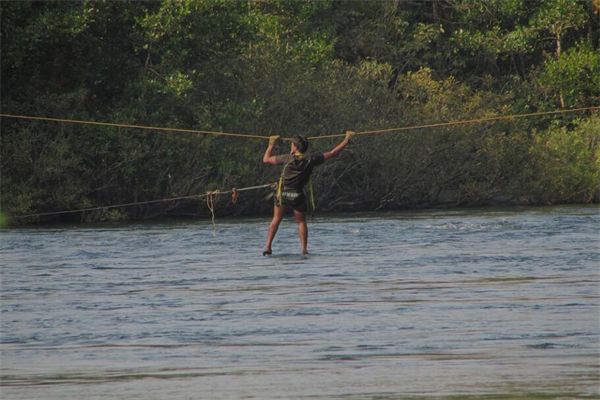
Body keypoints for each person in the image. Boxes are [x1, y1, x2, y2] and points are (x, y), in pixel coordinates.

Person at [262, 130, 355, 256]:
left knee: (276, 219)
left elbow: (266, 159)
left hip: (282, 194)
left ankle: (267, 247)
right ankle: (304, 249)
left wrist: (271, 144)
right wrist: (346, 140)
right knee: (301, 222)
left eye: (291, 145)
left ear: (294, 147)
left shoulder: (287, 158)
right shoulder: (311, 159)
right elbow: (333, 152)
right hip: (297, 195)